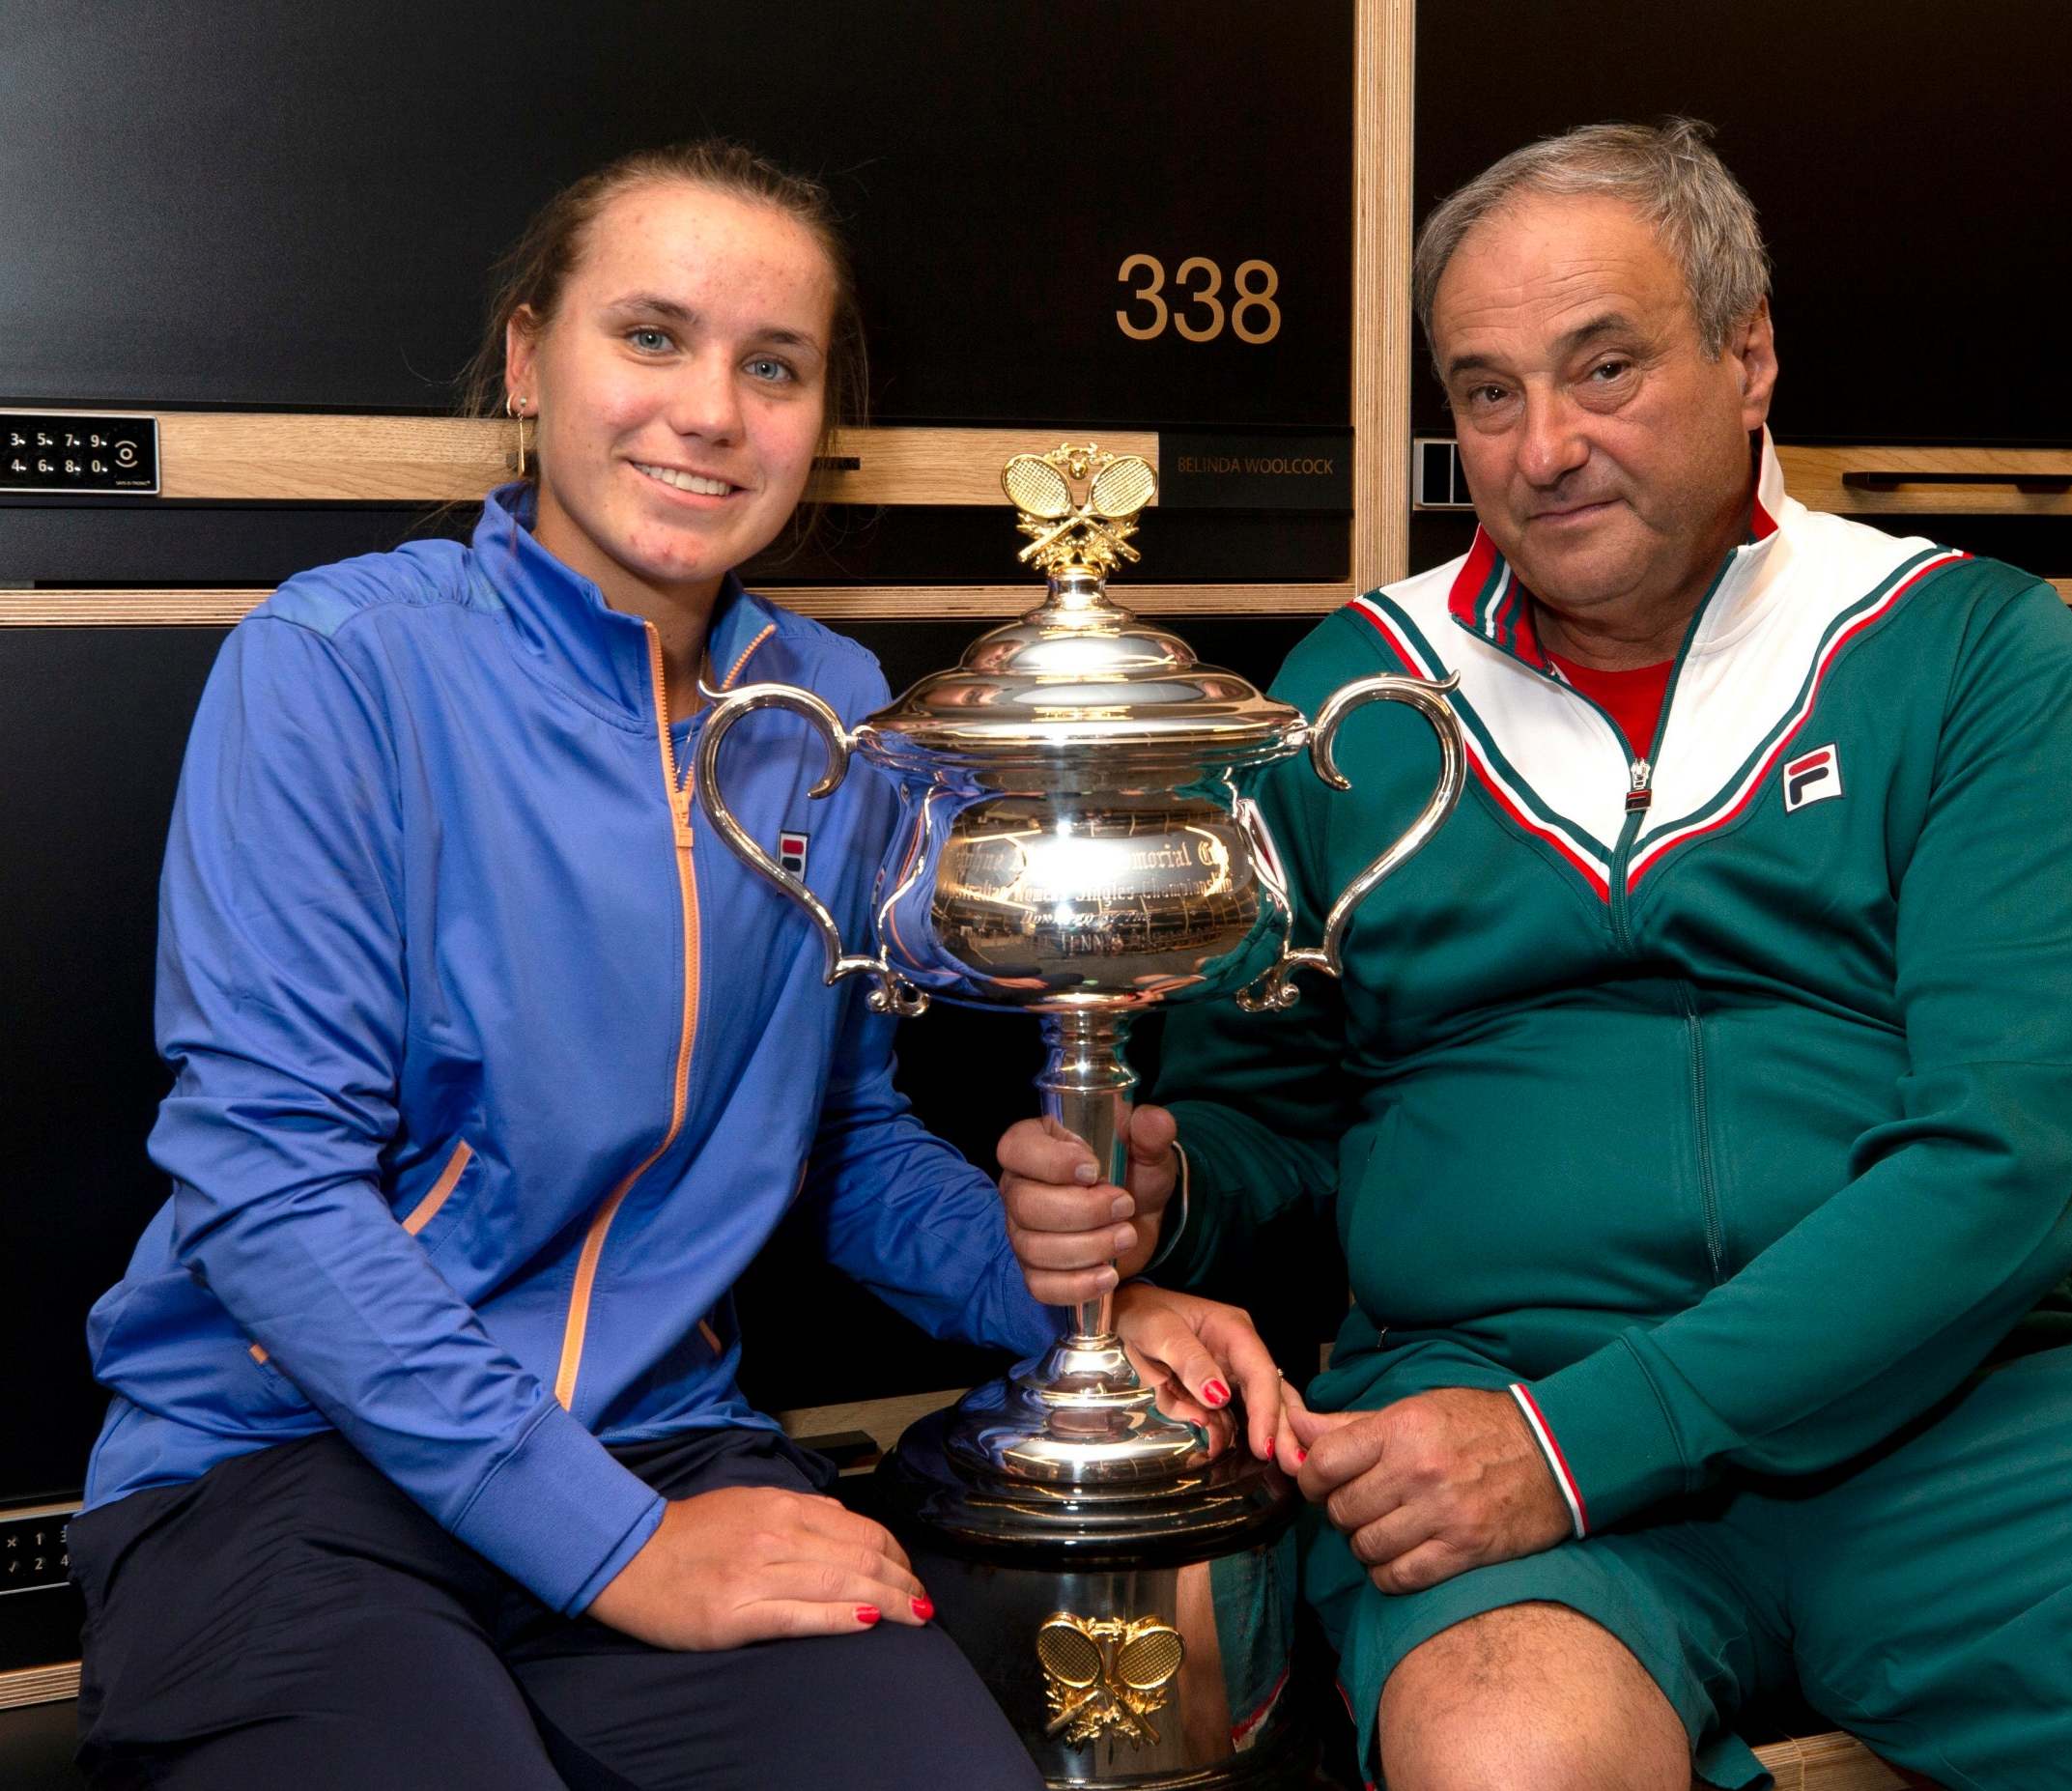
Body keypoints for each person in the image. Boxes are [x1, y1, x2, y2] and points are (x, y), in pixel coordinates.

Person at [996, 121, 2072, 1790]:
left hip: (1959, 1401)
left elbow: (2001, 1159)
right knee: (1510, 1756)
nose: (1547, 444)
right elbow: (1271, 1126)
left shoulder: (1968, 648)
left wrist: (1580, 1445)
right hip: (1490, 1385)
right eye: (1489, 389)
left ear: (1750, 353)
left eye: (1606, 367)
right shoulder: (1355, 696)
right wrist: (1160, 1195)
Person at [70, 140, 1281, 1790]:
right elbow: (270, 1190)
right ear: (525, 360)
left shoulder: (837, 710)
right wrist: (619, 1550)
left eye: (769, 365)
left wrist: (1071, 1294)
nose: (709, 411)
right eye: (650, 336)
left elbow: (840, 1149)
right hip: (288, 1475)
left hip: (668, 1451)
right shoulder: (337, 665)